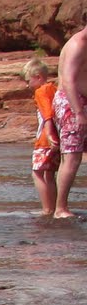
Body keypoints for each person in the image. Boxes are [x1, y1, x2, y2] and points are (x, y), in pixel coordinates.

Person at [56, 27, 87, 219]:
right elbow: (68, 81)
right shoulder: (78, 44)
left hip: (81, 102)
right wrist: (79, 113)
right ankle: (60, 209)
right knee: (72, 156)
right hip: (71, 103)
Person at [27, 59, 61, 217]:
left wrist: (48, 133)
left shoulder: (41, 91)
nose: (27, 85)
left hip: (45, 140)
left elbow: (47, 114)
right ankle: (54, 207)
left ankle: (47, 209)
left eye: (28, 80)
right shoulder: (54, 89)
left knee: (37, 173)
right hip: (58, 138)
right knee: (49, 174)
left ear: (38, 77)